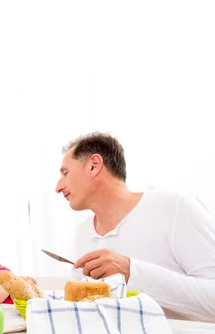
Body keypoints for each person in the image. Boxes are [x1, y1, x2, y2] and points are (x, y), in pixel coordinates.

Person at [56, 131, 215, 323]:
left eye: (65, 173)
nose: (58, 187)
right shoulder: (83, 233)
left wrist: (133, 272)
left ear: (93, 166)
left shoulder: (175, 207)